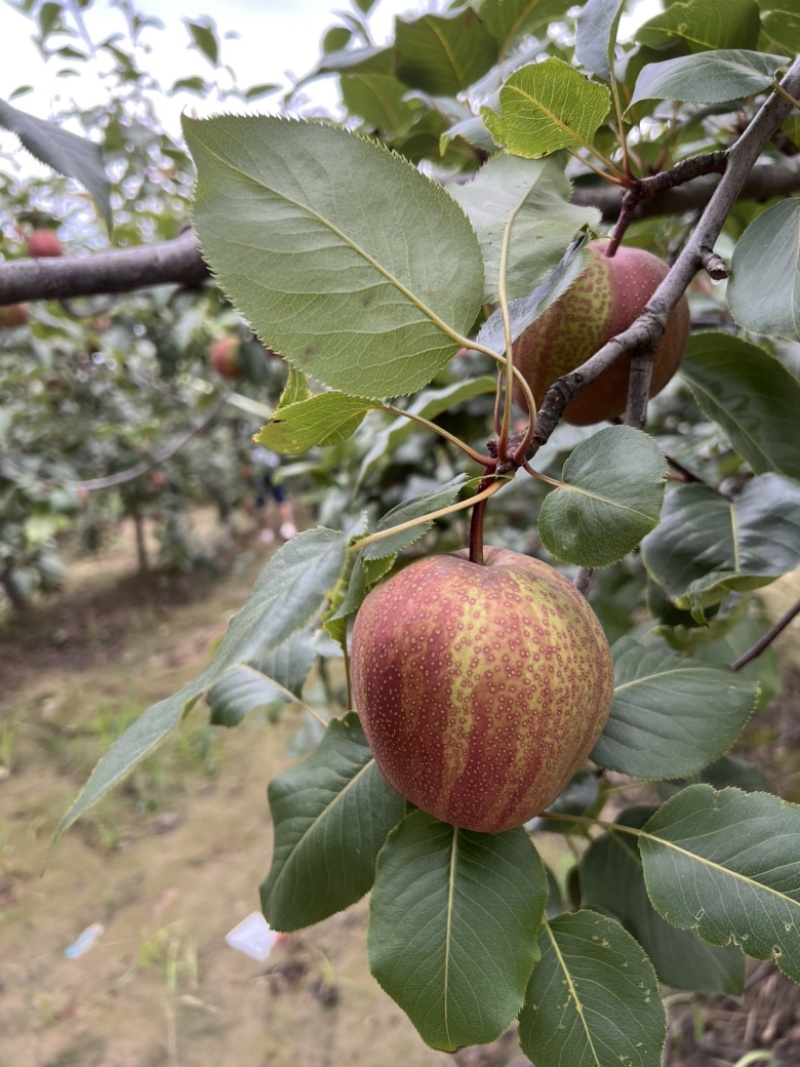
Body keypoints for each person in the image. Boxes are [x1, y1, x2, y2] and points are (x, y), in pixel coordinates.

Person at [250, 444, 297, 543]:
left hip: (271, 468)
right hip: (260, 473)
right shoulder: (246, 438)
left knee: (281, 499)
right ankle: (268, 530)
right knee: (263, 503)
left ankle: (288, 527)